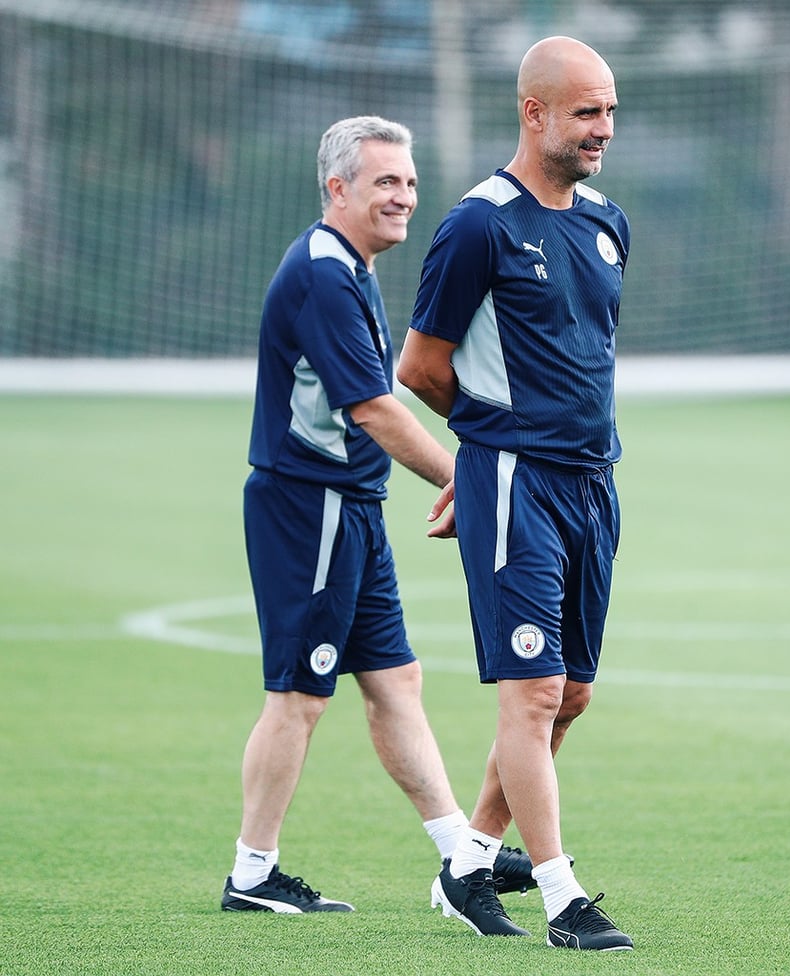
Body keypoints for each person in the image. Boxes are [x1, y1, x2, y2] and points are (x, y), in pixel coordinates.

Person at [221, 116, 533, 913]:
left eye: (410, 181)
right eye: (386, 182)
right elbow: (375, 411)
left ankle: (460, 857)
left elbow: (381, 397)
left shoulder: (351, 267)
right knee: (299, 693)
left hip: (351, 505)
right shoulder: (324, 273)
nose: (405, 196)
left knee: (396, 681)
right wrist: (468, 476)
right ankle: (252, 875)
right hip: (308, 506)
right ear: (338, 189)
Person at [397, 38, 634, 951]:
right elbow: (421, 367)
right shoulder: (476, 225)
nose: (602, 129)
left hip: (594, 483)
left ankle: (469, 863)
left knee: (569, 695)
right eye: (586, 112)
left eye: (609, 111)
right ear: (533, 112)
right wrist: (490, 455)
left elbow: (586, 356)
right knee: (532, 694)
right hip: (517, 482)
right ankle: (563, 897)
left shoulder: (609, 221)